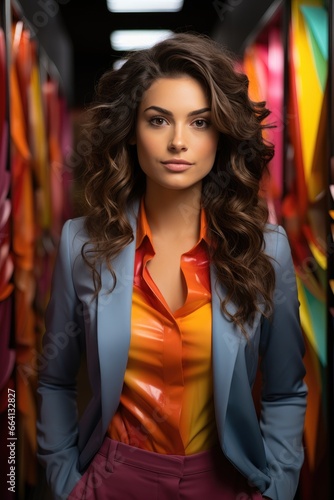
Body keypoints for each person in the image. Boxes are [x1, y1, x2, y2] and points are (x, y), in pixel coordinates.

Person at [37, 33, 307, 500]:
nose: (179, 142)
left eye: (200, 122)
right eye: (158, 120)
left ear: (221, 135)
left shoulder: (267, 251)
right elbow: (54, 379)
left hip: (225, 481)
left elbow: (285, 391)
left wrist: (277, 490)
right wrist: (64, 482)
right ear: (131, 130)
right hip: (112, 480)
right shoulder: (79, 244)